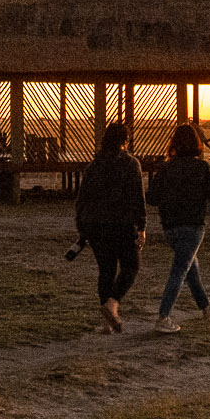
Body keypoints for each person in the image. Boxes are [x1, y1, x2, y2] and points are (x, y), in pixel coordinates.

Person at [146, 122, 210, 333]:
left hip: (170, 228)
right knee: (181, 270)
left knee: (190, 266)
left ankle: (206, 307)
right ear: (196, 143)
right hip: (192, 226)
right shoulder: (201, 167)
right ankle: (163, 317)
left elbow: (152, 198)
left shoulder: (166, 168)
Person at [73, 122, 146, 333]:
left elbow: (82, 197)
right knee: (131, 265)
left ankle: (107, 323)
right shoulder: (131, 164)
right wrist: (141, 227)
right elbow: (137, 198)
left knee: (106, 270)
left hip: (95, 225)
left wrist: (82, 227)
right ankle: (112, 304)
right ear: (126, 140)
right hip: (121, 224)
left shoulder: (95, 164)